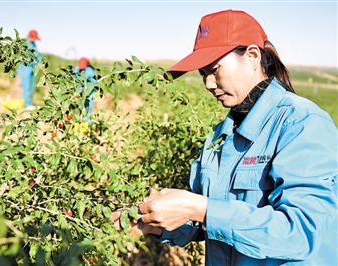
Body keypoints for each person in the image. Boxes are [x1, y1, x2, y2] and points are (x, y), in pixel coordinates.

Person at [112, 9, 337, 265]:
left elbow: (300, 233)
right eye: (202, 73)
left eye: (214, 69)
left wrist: (201, 208)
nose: (208, 83)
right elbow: (205, 223)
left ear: (252, 56)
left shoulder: (302, 124)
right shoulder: (220, 135)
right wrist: (156, 224)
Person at [17, 29, 42, 110]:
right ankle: (27, 104)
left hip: (32, 68)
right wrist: (36, 63)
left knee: (32, 86)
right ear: (30, 36)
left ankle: (30, 103)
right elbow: (26, 58)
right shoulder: (24, 44)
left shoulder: (33, 44)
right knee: (27, 86)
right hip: (24, 68)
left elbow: (37, 55)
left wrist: (40, 62)